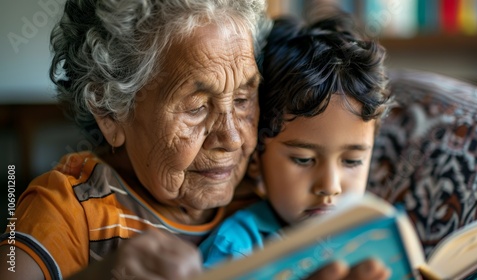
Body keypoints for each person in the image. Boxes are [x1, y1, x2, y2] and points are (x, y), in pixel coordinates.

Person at [0, 0, 389, 279]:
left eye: (242, 99)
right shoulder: (65, 209)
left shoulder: (265, 189)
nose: (233, 138)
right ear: (110, 110)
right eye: (197, 106)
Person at [200, 12, 391, 278]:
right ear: (256, 157)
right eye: (303, 159)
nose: (330, 186)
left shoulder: (377, 238)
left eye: (352, 161)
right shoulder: (237, 251)